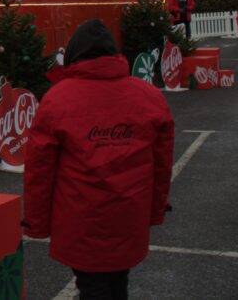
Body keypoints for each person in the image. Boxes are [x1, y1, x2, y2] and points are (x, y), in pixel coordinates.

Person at [23, 19, 174, 300]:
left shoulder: (58, 99)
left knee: (92, 287)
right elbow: (162, 165)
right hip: (129, 216)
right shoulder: (149, 96)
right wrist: (155, 211)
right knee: (117, 283)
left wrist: (36, 223)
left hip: (81, 220)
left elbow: (39, 171)